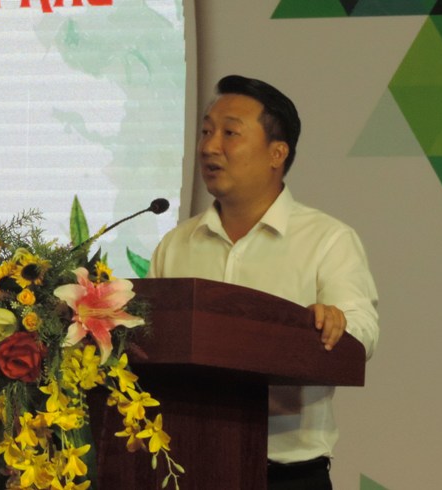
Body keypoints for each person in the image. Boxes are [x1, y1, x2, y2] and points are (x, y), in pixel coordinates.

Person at [147, 75, 379, 489]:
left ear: (277, 153)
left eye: (230, 133)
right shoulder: (176, 244)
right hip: (186, 470)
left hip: (287, 477)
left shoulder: (327, 239)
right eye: (205, 132)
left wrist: (333, 324)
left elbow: (362, 332)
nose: (209, 147)